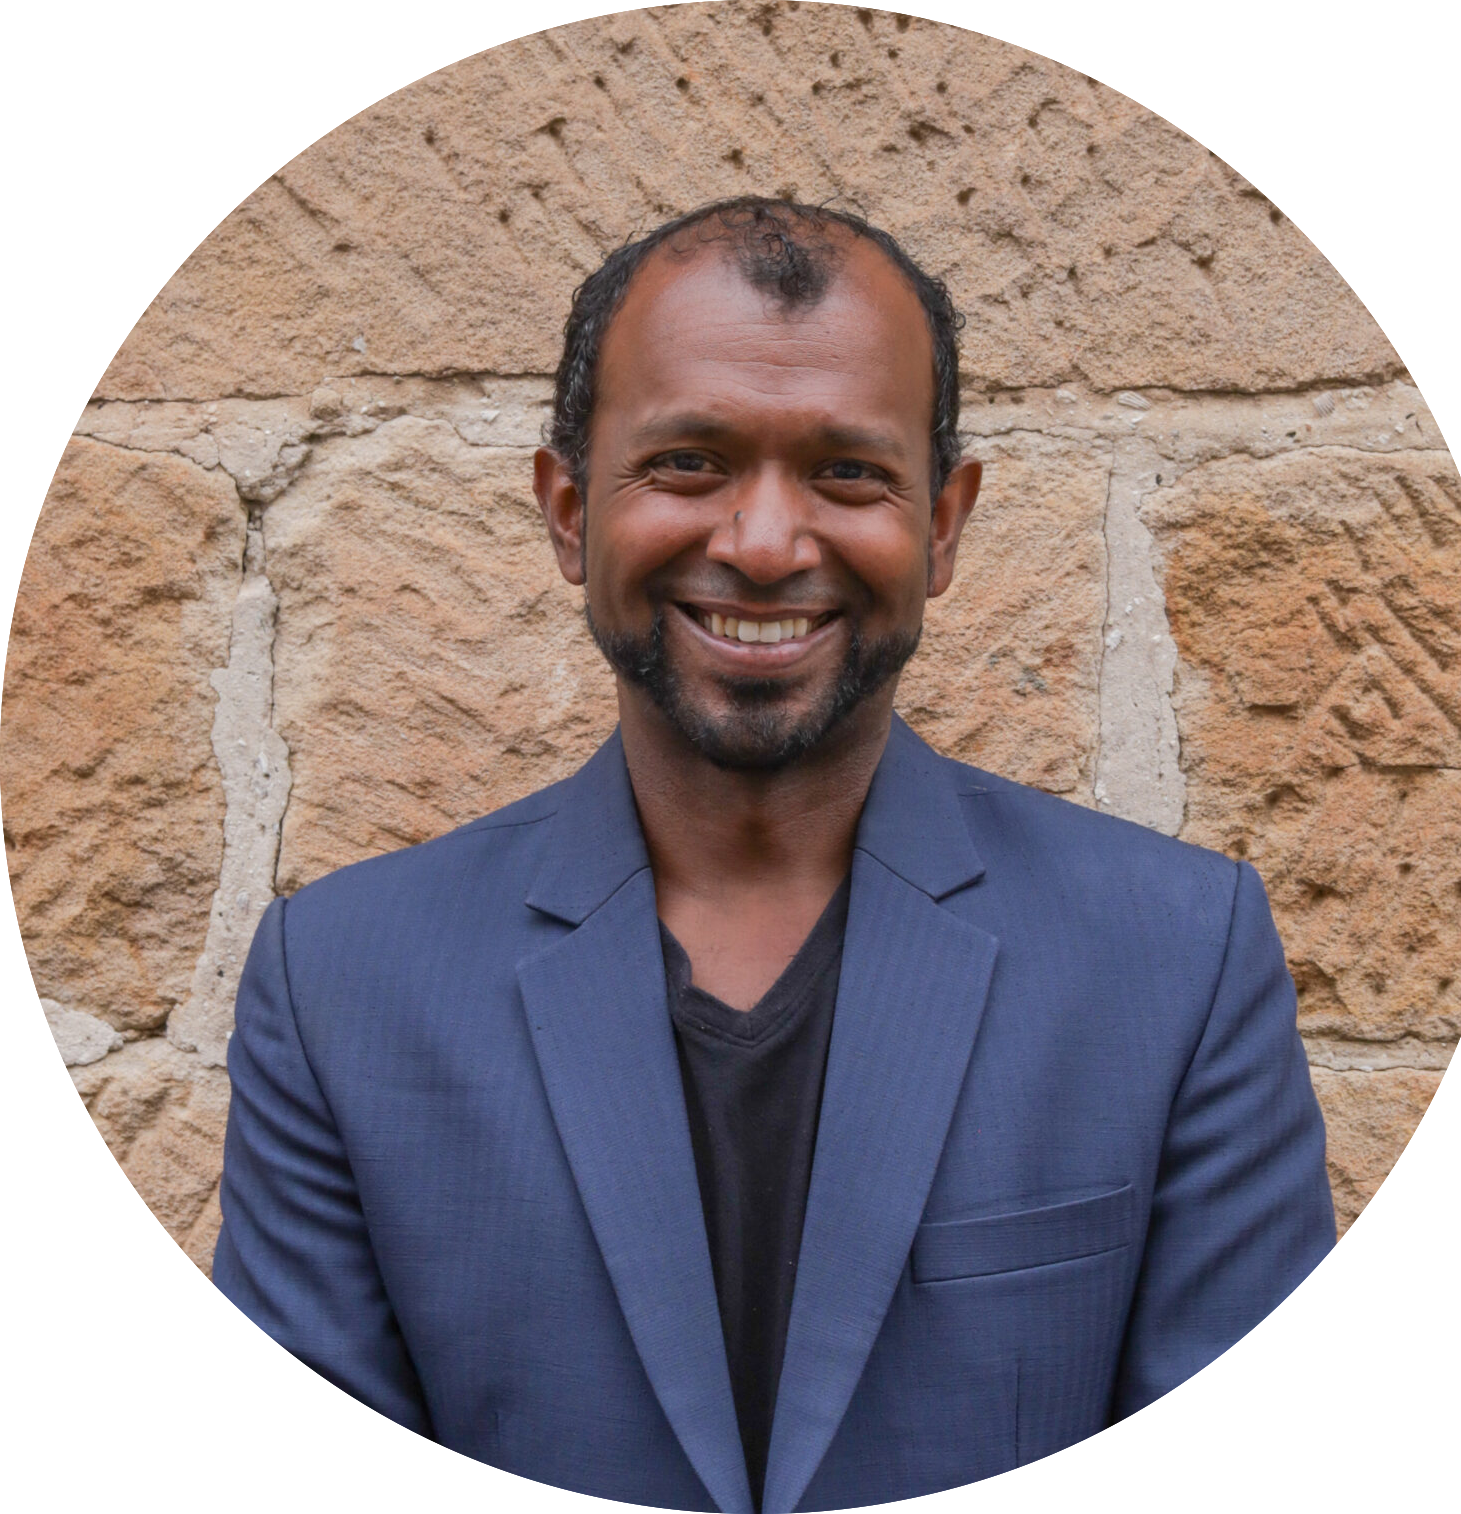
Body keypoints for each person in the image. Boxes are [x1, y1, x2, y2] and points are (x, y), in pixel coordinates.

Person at [213, 197, 1335, 1514]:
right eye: (688, 463)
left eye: (847, 473)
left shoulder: (1177, 960)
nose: (759, 544)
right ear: (568, 510)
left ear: (945, 524)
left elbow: (1256, 1472)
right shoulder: (344, 985)